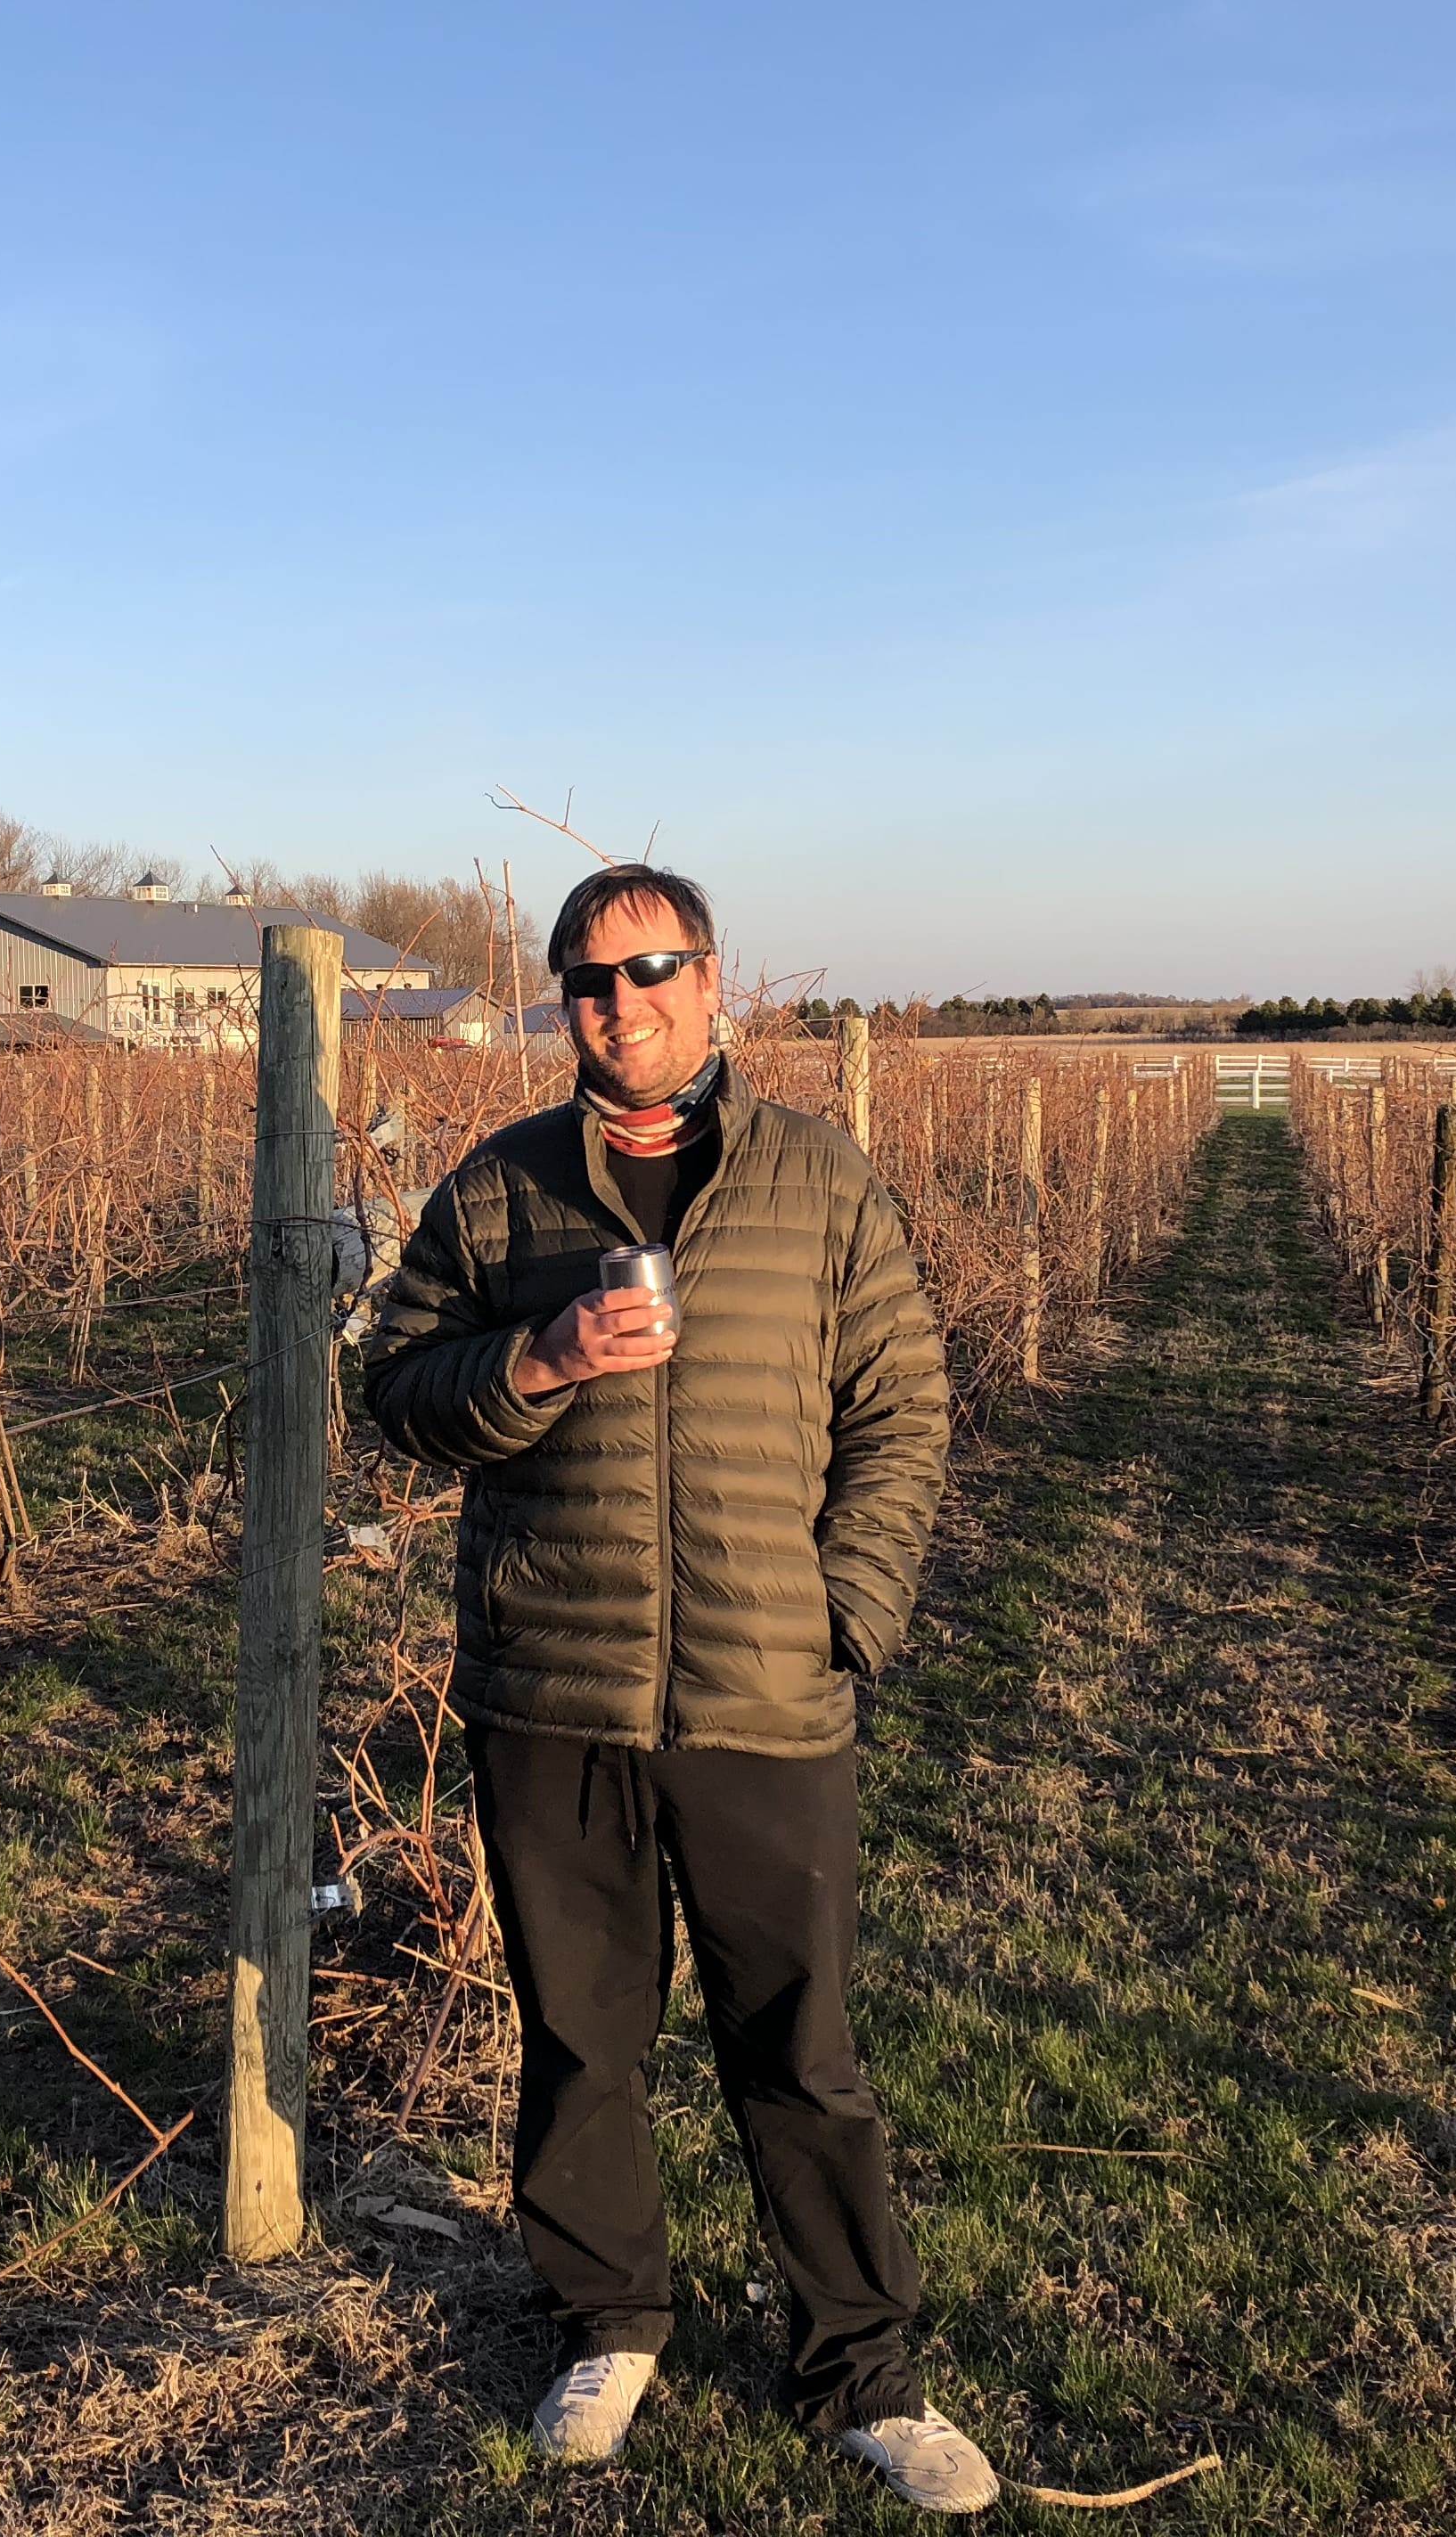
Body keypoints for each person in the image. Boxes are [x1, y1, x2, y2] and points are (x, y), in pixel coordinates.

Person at [363, 864, 1000, 2516]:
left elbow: (904, 1408)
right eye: (588, 980)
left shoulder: (815, 1178)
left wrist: (842, 1615)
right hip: (552, 1691)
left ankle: (862, 2364)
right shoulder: (498, 1195)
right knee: (582, 2034)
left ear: (714, 983)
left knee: (800, 2039)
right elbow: (400, 1395)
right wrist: (538, 1361)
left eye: (652, 970)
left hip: (765, 1694)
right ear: (560, 1000)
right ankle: (607, 2319)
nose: (620, 1003)